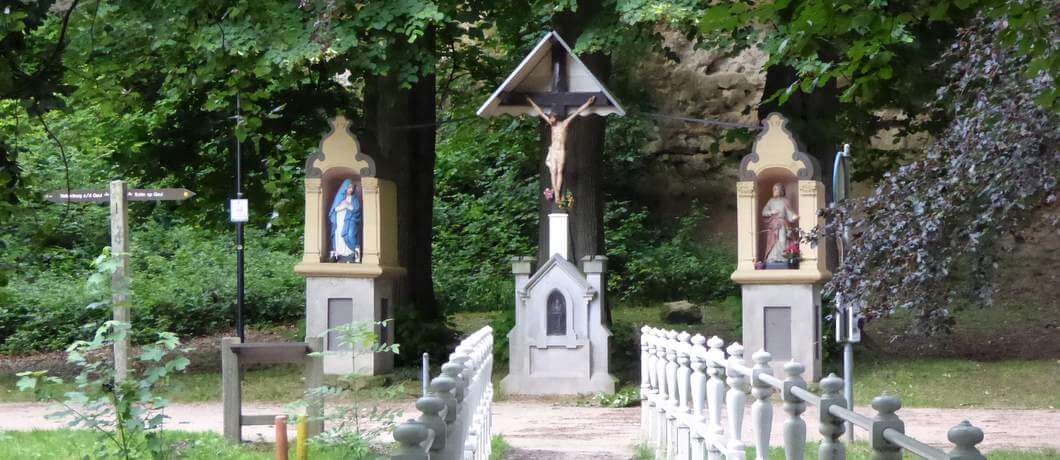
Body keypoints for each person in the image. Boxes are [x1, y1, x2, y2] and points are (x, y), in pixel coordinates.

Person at [527, 95, 596, 198]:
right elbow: (540, 112)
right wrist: (530, 101)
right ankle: (556, 192)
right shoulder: (551, 125)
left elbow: (577, 112)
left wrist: (588, 103)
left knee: (559, 171)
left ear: (555, 117)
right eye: (550, 119)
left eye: (552, 118)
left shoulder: (564, 124)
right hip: (553, 150)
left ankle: (557, 193)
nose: (550, 121)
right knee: (553, 171)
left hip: (561, 150)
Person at [761, 183, 799, 263]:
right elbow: (764, 212)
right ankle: (772, 257)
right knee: (773, 240)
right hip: (774, 224)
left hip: (782, 224)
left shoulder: (785, 201)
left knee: (783, 240)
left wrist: (793, 217)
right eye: (773, 189)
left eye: (776, 189)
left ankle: (783, 258)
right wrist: (772, 212)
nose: (774, 191)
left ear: (781, 190)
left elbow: (789, 213)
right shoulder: (771, 201)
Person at [328, 178, 361, 263]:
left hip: (350, 221)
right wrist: (343, 206)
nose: (351, 189)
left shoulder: (354, 198)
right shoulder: (339, 197)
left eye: (352, 188)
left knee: (350, 235)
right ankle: (339, 255)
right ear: (345, 187)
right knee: (338, 235)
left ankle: (352, 254)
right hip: (339, 220)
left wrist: (348, 206)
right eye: (349, 187)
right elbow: (334, 210)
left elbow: (357, 210)